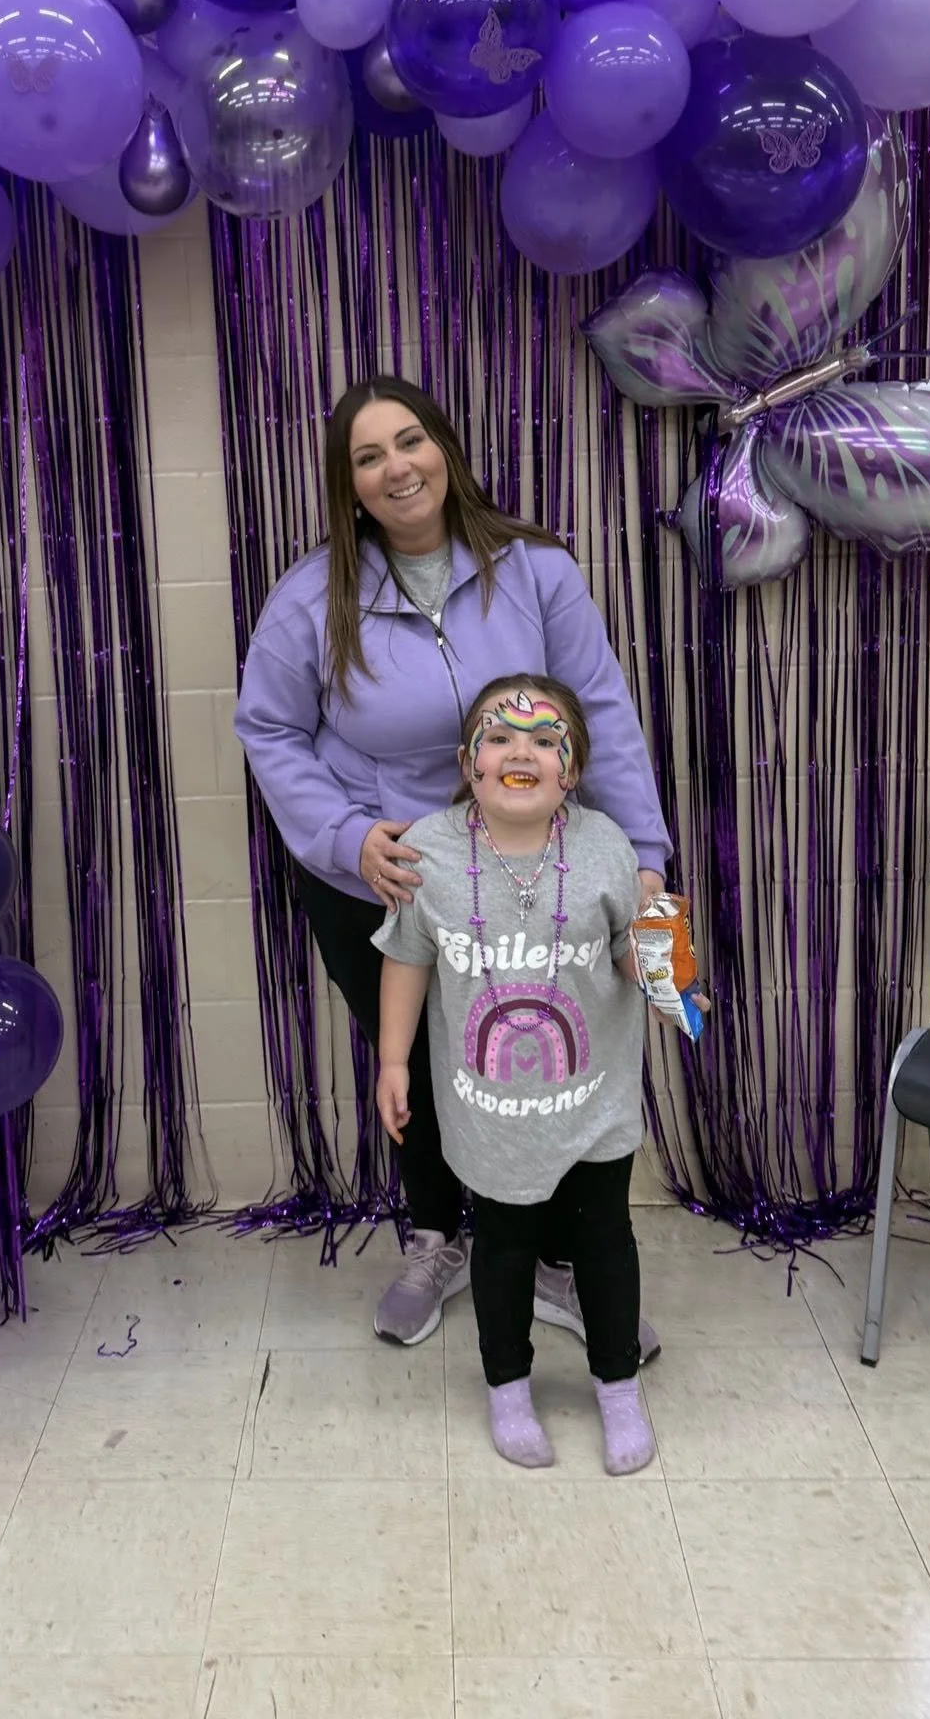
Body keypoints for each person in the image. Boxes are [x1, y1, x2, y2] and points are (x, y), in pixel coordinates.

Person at [234, 375, 675, 1348]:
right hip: (384, 882)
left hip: (529, 874)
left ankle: (558, 1260)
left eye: (411, 440)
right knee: (422, 1070)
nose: (397, 466)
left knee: (538, 1055)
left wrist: (641, 855)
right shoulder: (312, 597)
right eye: (368, 455)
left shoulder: (538, 572)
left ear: (445, 447)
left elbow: (597, 707)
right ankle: (436, 1238)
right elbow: (268, 729)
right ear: (349, 485)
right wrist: (346, 835)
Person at [374, 675, 656, 1473]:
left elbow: (634, 960)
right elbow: (406, 959)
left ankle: (618, 1388)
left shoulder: (605, 846)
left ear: (571, 771)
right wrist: (394, 1061)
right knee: (501, 1248)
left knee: (604, 1243)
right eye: (500, 737)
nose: (521, 750)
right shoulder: (428, 850)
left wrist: (664, 962)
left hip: (594, 1099)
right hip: (487, 1110)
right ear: (469, 763)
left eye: (544, 738)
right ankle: (507, 1388)